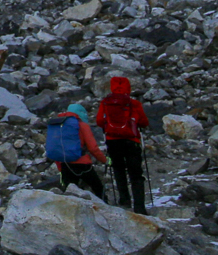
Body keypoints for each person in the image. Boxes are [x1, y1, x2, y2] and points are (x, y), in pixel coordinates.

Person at [95, 75, 150, 214]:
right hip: (131, 141)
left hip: (112, 141)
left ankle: (124, 199)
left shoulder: (105, 102)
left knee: (118, 170)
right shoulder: (134, 103)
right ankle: (139, 207)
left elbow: (100, 121)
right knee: (136, 174)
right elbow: (143, 122)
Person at [43, 102, 108, 201]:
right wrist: (105, 160)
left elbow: (57, 149)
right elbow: (93, 148)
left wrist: (60, 168)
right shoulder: (82, 125)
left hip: (65, 165)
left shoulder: (59, 125)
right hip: (83, 164)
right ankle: (106, 210)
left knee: (70, 195)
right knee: (98, 188)